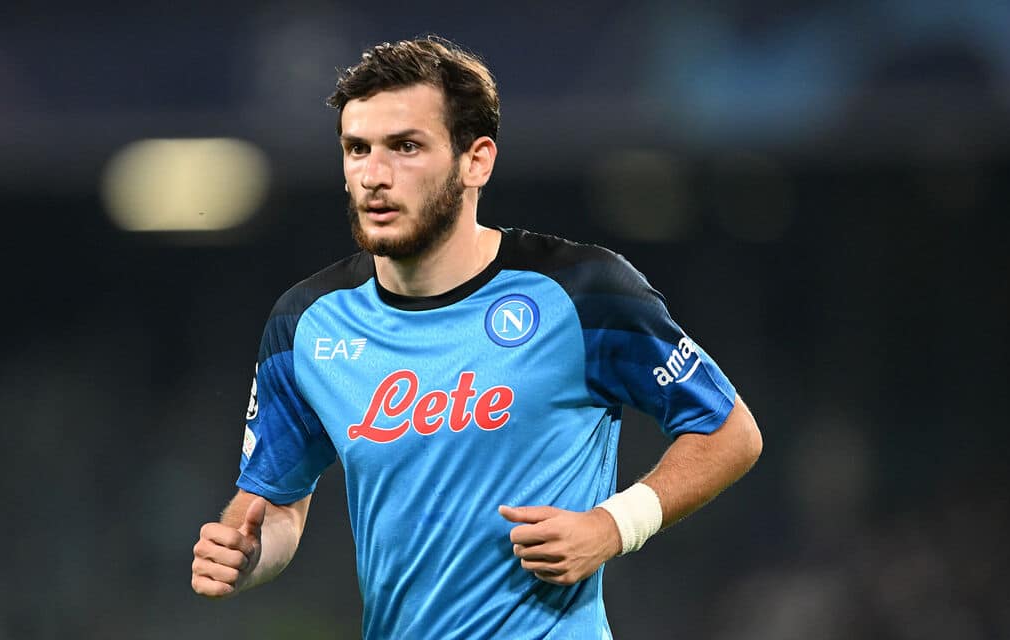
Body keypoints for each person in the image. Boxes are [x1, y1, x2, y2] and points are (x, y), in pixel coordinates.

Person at [191, 36, 763, 639]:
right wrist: (245, 555)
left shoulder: (583, 292)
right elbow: (276, 506)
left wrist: (613, 526)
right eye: (357, 149)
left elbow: (729, 432)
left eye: (406, 147)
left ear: (476, 161)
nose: (374, 176)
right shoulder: (307, 322)